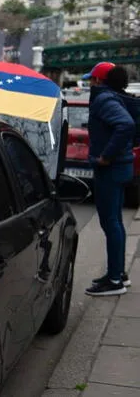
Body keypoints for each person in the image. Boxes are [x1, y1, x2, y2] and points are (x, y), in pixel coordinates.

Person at [85, 64, 140, 296]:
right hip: (121, 167)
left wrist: (106, 156)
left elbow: (125, 125)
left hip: (111, 169)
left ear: (98, 81)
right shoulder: (116, 97)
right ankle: (118, 274)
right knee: (115, 221)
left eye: (91, 80)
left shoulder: (104, 100)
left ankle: (115, 280)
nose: (89, 84)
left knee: (111, 223)